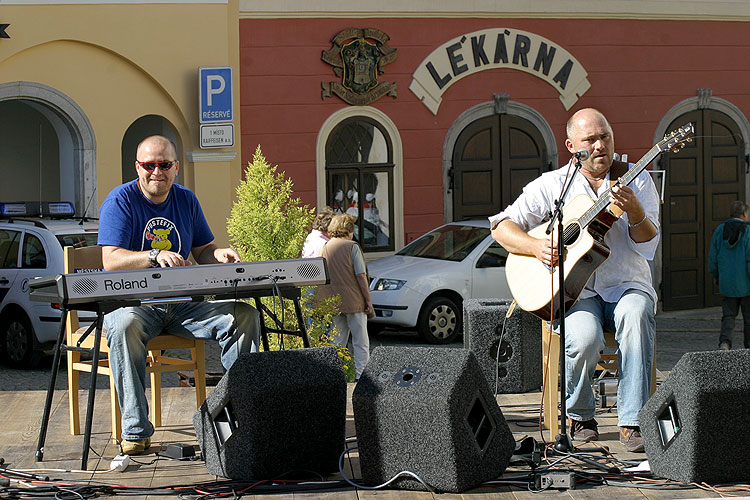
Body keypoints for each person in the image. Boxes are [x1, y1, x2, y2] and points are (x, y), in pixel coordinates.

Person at [489, 108, 660, 453]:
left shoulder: (636, 179)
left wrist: (636, 211)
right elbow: (500, 226)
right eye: (591, 140)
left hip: (627, 283)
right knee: (583, 337)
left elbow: (649, 239)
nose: (600, 145)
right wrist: (536, 245)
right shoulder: (553, 185)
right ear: (572, 146)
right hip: (574, 291)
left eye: (606, 137)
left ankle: (632, 421)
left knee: (635, 316)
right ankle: (580, 416)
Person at [98, 135, 260, 455]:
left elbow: (203, 249)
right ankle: (135, 429)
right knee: (122, 326)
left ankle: (238, 413)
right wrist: (154, 255)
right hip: (137, 305)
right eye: (149, 165)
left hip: (184, 305)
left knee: (244, 315)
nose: (156, 171)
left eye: (164, 164)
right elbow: (111, 260)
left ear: (176, 167)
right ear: (137, 167)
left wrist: (220, 255)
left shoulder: (186, 199)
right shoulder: (120, 200)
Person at [315, 214, 373, 379]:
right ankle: (362, 376)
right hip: (354, 300)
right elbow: (361, 275)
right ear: (348, 230)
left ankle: (335, 375)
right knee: (361, 342)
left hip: (333, 301)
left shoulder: (324, 247)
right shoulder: (352, 246)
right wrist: (368, 300)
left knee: (337, 341)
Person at [708, 200, 750, 350]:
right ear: (744, 213)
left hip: (727, 281)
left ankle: (725, 343)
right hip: (746, 283)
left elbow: (713, 257)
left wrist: (715, 275)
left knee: (728, 316)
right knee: (748, 318)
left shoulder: (720, 230)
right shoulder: (748, 231)